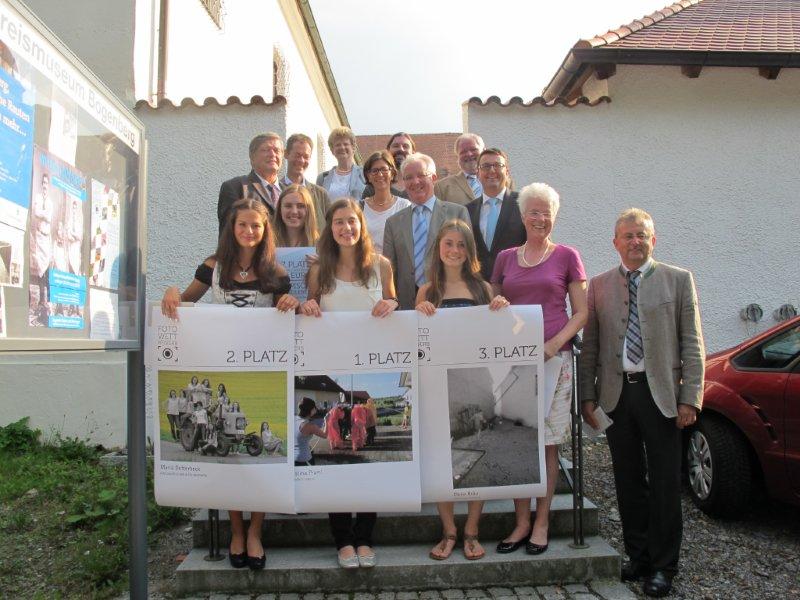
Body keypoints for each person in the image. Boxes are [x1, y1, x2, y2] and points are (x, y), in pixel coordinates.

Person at [161, 197, 300, 571]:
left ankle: (256, 530)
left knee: (255, 461)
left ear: (264, 230)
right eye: (243, 225)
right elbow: (184, 304)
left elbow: (287, 316)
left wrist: (290, 301)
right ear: (231, 228)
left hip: (262, 373)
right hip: (224, 371)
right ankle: (235, 531)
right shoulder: (213, 267)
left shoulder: (276, 272)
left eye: (256, 225)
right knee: (230, 461)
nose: (249, 231)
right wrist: (173, 291)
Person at [580, 208, 704, 598]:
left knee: (666, 483)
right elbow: (590, 348)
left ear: (654, 240)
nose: (635, 241)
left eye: (641, 235)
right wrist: (587, 396)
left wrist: (691, 398)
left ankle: (664, 566)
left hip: (662, 396)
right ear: (615, 242)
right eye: (627, 235)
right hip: (617, 396)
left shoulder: (678, 280)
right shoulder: (598, 286)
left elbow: (693, 345)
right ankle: (639, 556)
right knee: (628, 480)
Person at [299, 197, 399, 569]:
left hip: (370, 371)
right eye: (339, 222)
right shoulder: (319, 271)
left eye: (352, 222)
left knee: (364, 457)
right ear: (330, 228)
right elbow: (309, 312)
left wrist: (393, 304)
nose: (347, 228)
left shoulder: (381, 265)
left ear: (362, 226)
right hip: (335, 374)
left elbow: (393, 305)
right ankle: (343, 540)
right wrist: (308, 308)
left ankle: (365, 537)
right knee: (338, 455)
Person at [491, 182, 588, 557]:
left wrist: (553, 344)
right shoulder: (505, 258)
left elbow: (581, 312)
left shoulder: (567, 256)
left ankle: (542, 521)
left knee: (547, 445)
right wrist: (495, 301)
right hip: (513, 361)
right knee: (518, 443)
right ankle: (521, 522)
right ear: (522, 215)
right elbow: (493, 298)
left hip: (555, 361)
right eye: (534, 211)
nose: (541, 218)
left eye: (547, 212)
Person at [415, 218, 510, 561]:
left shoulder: (484, 289)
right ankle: (449, 530)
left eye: (460, 245)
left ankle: (471, 530)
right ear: (438, 248)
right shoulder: (427, 291)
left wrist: (501, 311)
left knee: (476, 450)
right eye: (448, 244)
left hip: (477, 381)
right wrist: (420, 314)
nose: (454, 251)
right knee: (443, 455)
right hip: (439, 383)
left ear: (469, 252)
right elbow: (417, 342)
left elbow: (500, 336)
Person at [383, 153, 470, 309]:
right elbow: (389, 270)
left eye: (421, 175)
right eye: (408, 177)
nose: (415, 181)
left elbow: (469, 259)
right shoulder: (393, 222)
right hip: (407, 305)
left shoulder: (457, 213)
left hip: (448, 301)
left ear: (434, 178)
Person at [466, 148, 526, 281]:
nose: (492, 170)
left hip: (516, 285)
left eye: (498, 165)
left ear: (507, 172)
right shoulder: (467, 211)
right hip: (479, 288)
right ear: (477, 173)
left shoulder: (523, 204)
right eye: (486, 166)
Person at [217, 133, 284, 233]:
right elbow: (227, 234)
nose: (272, 154)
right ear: (252, 157)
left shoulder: (290, 191)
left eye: (276, 150)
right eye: (265, 150)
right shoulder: (235, 187)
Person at [360, 150, 411, 254]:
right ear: (368, 176)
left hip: (395, 267)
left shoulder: (404, 206)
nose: (380, 174)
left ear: (392, 174)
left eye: (384, 169)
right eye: (375, 171)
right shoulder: (359, 207)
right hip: (366, 266)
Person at [282, 133, 330, 228]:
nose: (301, 160)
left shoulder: (321, 194)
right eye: (297, 155)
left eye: (306, 156)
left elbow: (330, 228)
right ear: (286, 154)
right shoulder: (275, 190)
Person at [434, 133, 485, 206]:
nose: (469, 154)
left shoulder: (499, 181)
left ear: (484, 151)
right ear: (458, 156)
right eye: (463, 152)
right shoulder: (442, 187)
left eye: (473, 149)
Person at [316, 127, 366, 200]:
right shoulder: (322, 178)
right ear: (332, 150)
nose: (342, 147)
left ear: (353, 148)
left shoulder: (365, 174)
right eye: (338, 145)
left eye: (346, 144)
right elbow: (319, 206)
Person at [295, 397, 327, 466]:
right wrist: (326, 421)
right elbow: (325, 435)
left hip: (293, 459)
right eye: (315, 407)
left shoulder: (293, 419)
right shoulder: (310, 425)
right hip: (304, 459)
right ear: (312, 410)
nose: (316, 409)